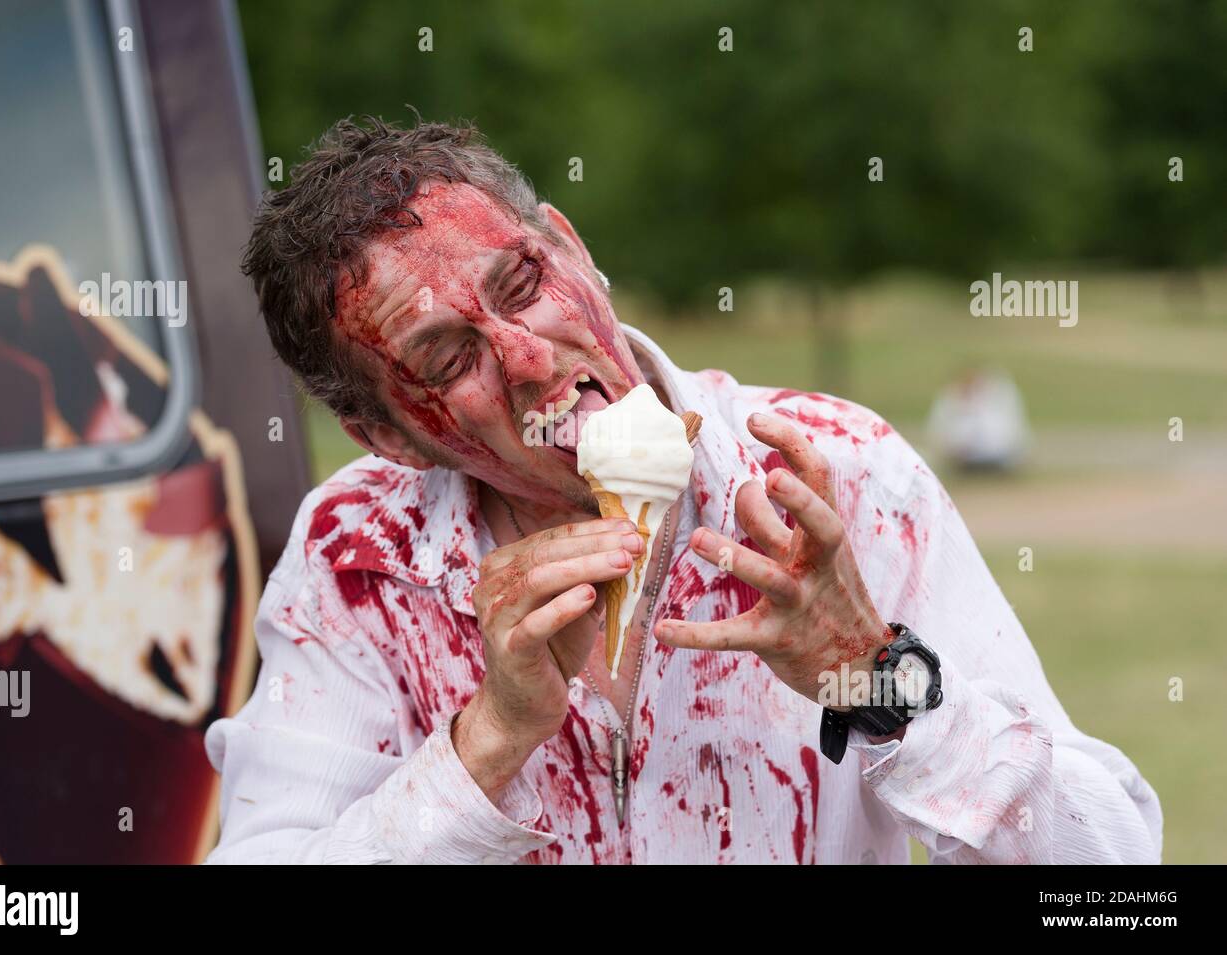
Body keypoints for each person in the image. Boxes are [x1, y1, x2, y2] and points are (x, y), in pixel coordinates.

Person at [203, 117, 1161, 864]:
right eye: (450, 358)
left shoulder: (838, 475)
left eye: (523, 283)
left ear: (573, 247)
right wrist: (489, 738)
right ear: (389, 437)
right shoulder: (359, 556)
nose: (531, 359)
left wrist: (874, 675)